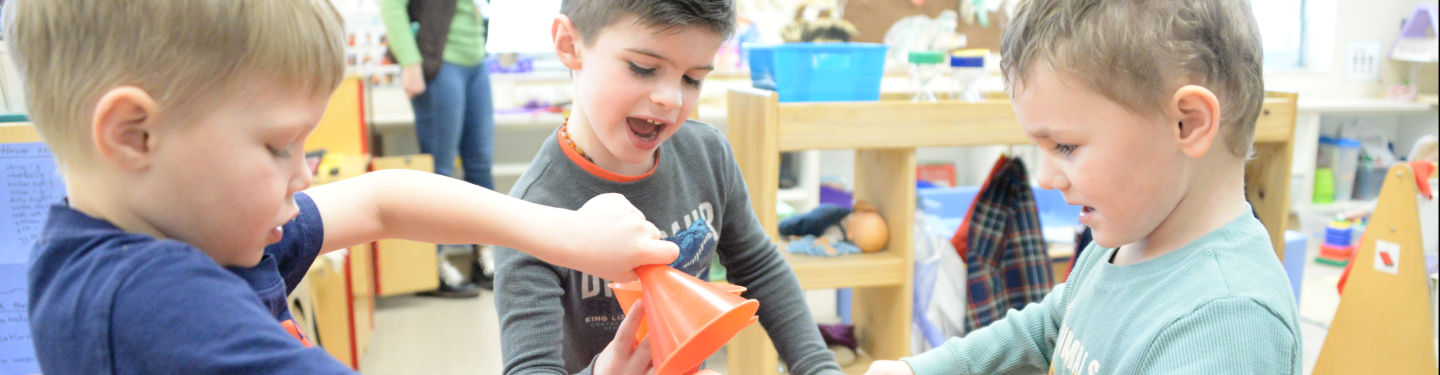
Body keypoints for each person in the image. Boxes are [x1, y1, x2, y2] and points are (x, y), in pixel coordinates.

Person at [7, 0, 678, 373]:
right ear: (133, 134)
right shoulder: (150, 300)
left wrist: (567, 234)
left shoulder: (188, 225)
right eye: (276, 146)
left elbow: (379, 200)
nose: (303, 174)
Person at [866, 0, 1303, 374]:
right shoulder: (1124, 237)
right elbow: (1052, 325)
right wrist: (920, 368)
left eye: (1066, 146)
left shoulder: (1227, 322)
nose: (1045, 178)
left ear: (1187, 122)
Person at [492, 1, 844, 375]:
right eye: (644, 68)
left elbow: (760, 268)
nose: (672, 99)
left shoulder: (707, 155)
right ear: (569, 44)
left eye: (692, 78)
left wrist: (818, 366)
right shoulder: (531, 215)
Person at [381, 0, 498, 295]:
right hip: (440, 65)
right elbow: (391, 7)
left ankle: (484, 257)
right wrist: (410, 62)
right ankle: (433, 264)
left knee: (480, 165)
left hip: (476, 64)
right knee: (439, 169)